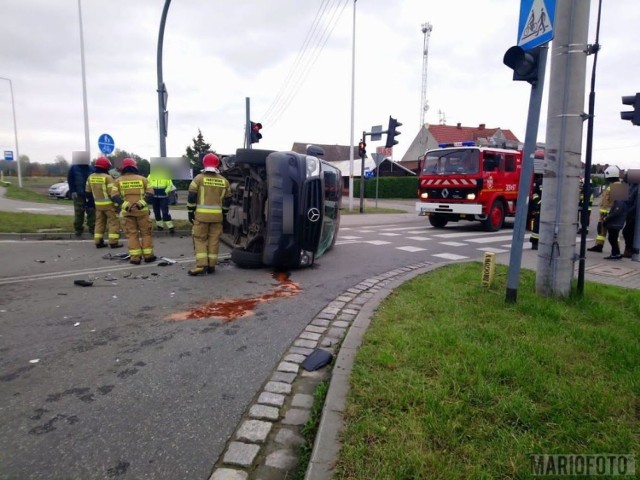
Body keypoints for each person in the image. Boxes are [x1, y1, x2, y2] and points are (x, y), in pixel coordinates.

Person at [186, 153, 231, 276]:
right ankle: (211, 266)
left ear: (204, 164)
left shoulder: (198, 179)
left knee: (200, 239)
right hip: (217, 217)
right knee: (214, 240)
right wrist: (225, 213)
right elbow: (228, 199)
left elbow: (191, 196)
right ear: (217, 164)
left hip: (201, 217)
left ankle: (201, 266)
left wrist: (190, 211)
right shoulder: (224, 181)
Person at [110, 158, 156, 265]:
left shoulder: (118, 181)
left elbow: (114, 195)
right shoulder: (143, 179)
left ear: (123, 168)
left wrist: (127, 206)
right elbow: (150, 194)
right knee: (146, 234)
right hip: (142, 212)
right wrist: (139, 205)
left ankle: (135, 258)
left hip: (128, 213)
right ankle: (148, 256)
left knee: (132, 234)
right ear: (135, 167)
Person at [85, 156, 122, 249]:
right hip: (109, 205)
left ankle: (98, 241)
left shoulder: (91, 177)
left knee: (99, 223)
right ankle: (113, 242)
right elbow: (112, 194)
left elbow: (88, 192)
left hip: (98, 205)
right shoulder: (108, 177)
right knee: (113, 223)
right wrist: (118, 204)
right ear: (106, 166)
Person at [587, 165, 621, 253]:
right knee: (601, 231)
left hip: (611, 215)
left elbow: (619, 204)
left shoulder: (618, 186)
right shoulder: (612, 185)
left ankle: (616, 250)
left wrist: (610, 215)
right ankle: (599, 245)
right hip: (605, 214)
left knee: (613, 234)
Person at [67, 154, 96, 237]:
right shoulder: (74, 168)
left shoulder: (91, 168)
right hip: (78, 194)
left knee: (91, 212)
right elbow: (70, 179)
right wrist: (73, 191)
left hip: (90, 194)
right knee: (79, 212)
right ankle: (78, 229)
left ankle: (92, 228)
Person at [147, 169, 175, 233]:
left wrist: (165, 191)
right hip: (154, 197)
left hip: (163, 197)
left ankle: (170, 227)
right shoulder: (150, 176)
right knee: (156, 212)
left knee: (165, 212)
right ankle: (160, 226)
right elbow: (147, 184)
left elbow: (170, 185)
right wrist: (150, 193)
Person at [622, 180, 638, 258]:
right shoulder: (631, 186)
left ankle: (630, 250)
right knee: (627, 232)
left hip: (634, 215)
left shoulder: (637, 187)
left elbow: (636, 204)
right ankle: (629, 249)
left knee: (628, 232)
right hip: (629, 214)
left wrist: (628, 212)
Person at [528, 174, 542, 250]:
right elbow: (535, 194)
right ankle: (534, 243)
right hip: (540, 208)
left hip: (550, 210)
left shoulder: (555, 184)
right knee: (537, 226)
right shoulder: (540, 182)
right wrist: (539, 202)